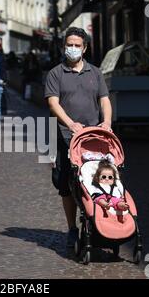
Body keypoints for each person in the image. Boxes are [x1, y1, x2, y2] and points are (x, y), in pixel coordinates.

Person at [44, 27, 113, 248]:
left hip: (93, 138)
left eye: (77, 45)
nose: (72, 49)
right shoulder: (56, 73)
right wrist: (70, 123)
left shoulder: (95, 73)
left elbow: (104, 100)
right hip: (66, 136)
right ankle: (72, 228)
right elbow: (53, 103)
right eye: (69, 44)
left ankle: (101, 222)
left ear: (85, 48)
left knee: (96, 178)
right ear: (64, 46)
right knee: (66, 183)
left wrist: (107, 123)